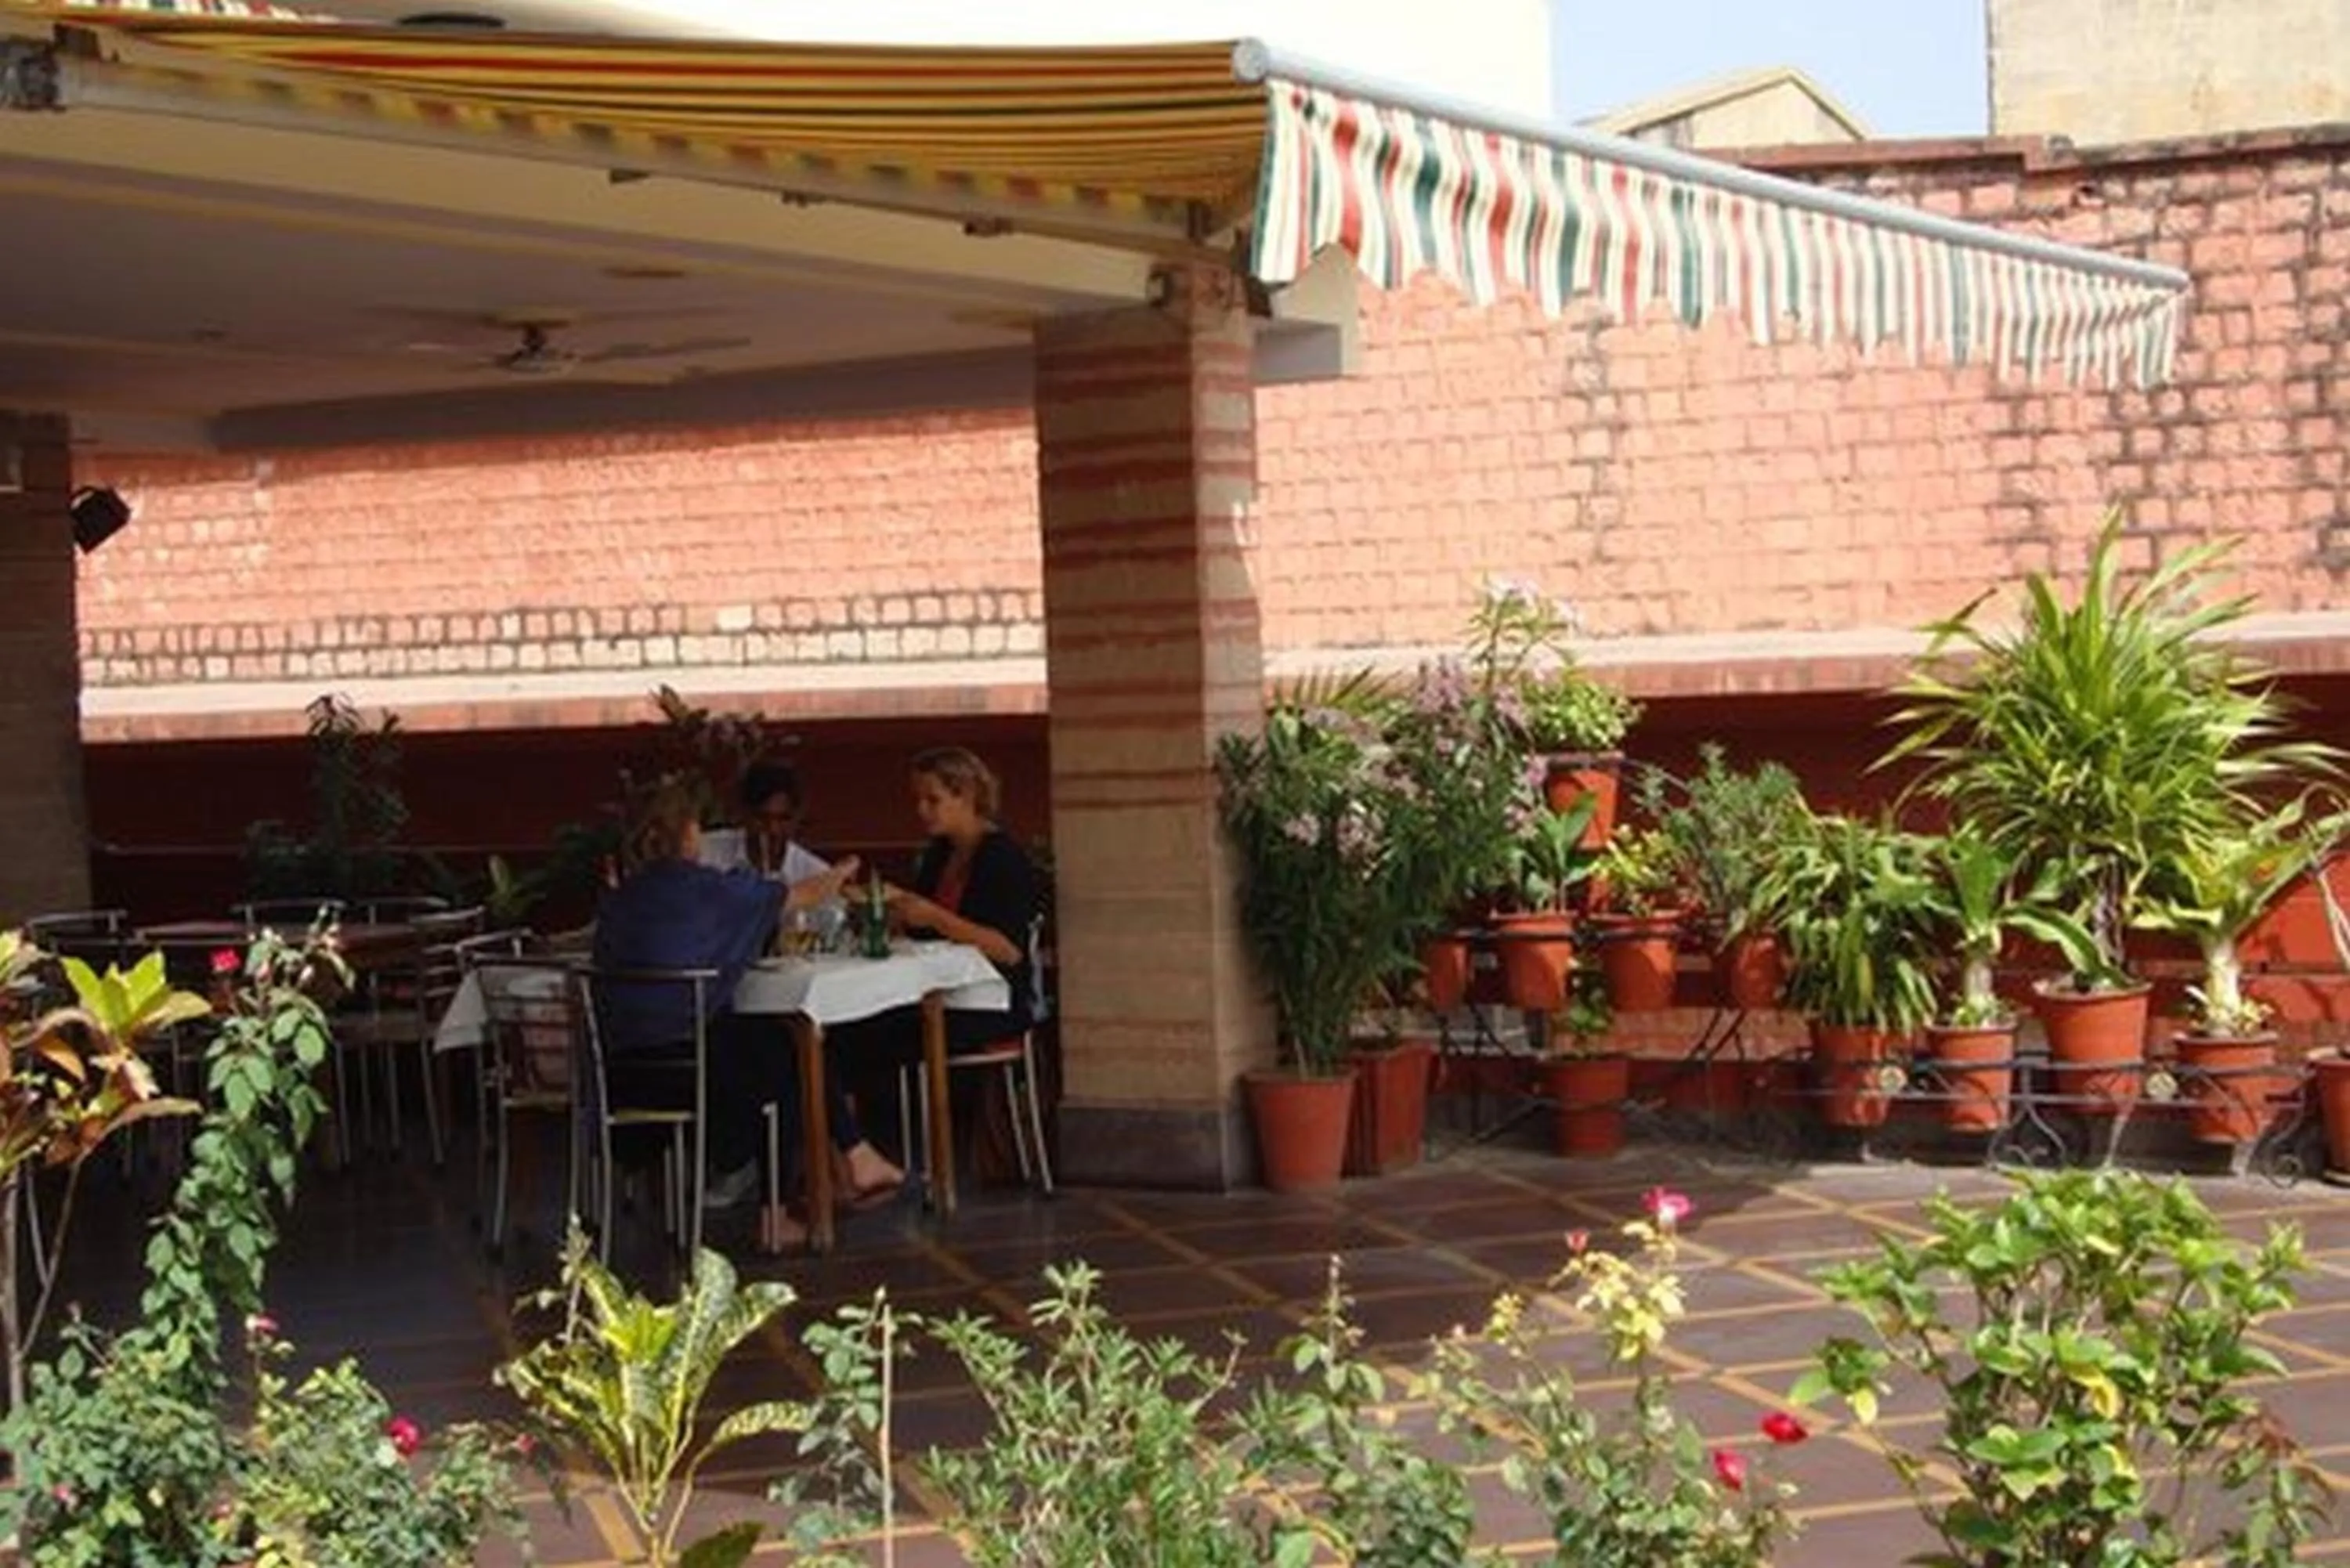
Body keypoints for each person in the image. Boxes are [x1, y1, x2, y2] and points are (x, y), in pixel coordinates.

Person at [591, 782, 903, 1236]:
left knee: (767, 1044)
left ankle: (856, 1158)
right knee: (789, 1051)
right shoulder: (713, 892)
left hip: (617, 1074)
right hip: (695, 1075)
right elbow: (801, 895)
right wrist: (846, 869)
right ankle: (786, 1206)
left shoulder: (620, 901)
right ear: (690, 834)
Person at [830, 747, 1039, 1154]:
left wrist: (934, 917)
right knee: (848, 1030)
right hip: (937, 990)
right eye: (918, 800)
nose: (923, 810)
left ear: (966, 796)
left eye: (933, 800)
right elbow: (920, 923)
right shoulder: (940, 854)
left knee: (864, 1040)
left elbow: (1009, 950)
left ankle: (873, 1152)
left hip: (988, 1001)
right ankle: (853, 1153)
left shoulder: (1002, 859)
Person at [740, 758, 831, 885]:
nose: (773, 829)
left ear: (797, 818)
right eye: (761, 818)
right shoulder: (708, 855)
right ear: (744, 813)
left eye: (784, 819)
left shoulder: (816, 876)